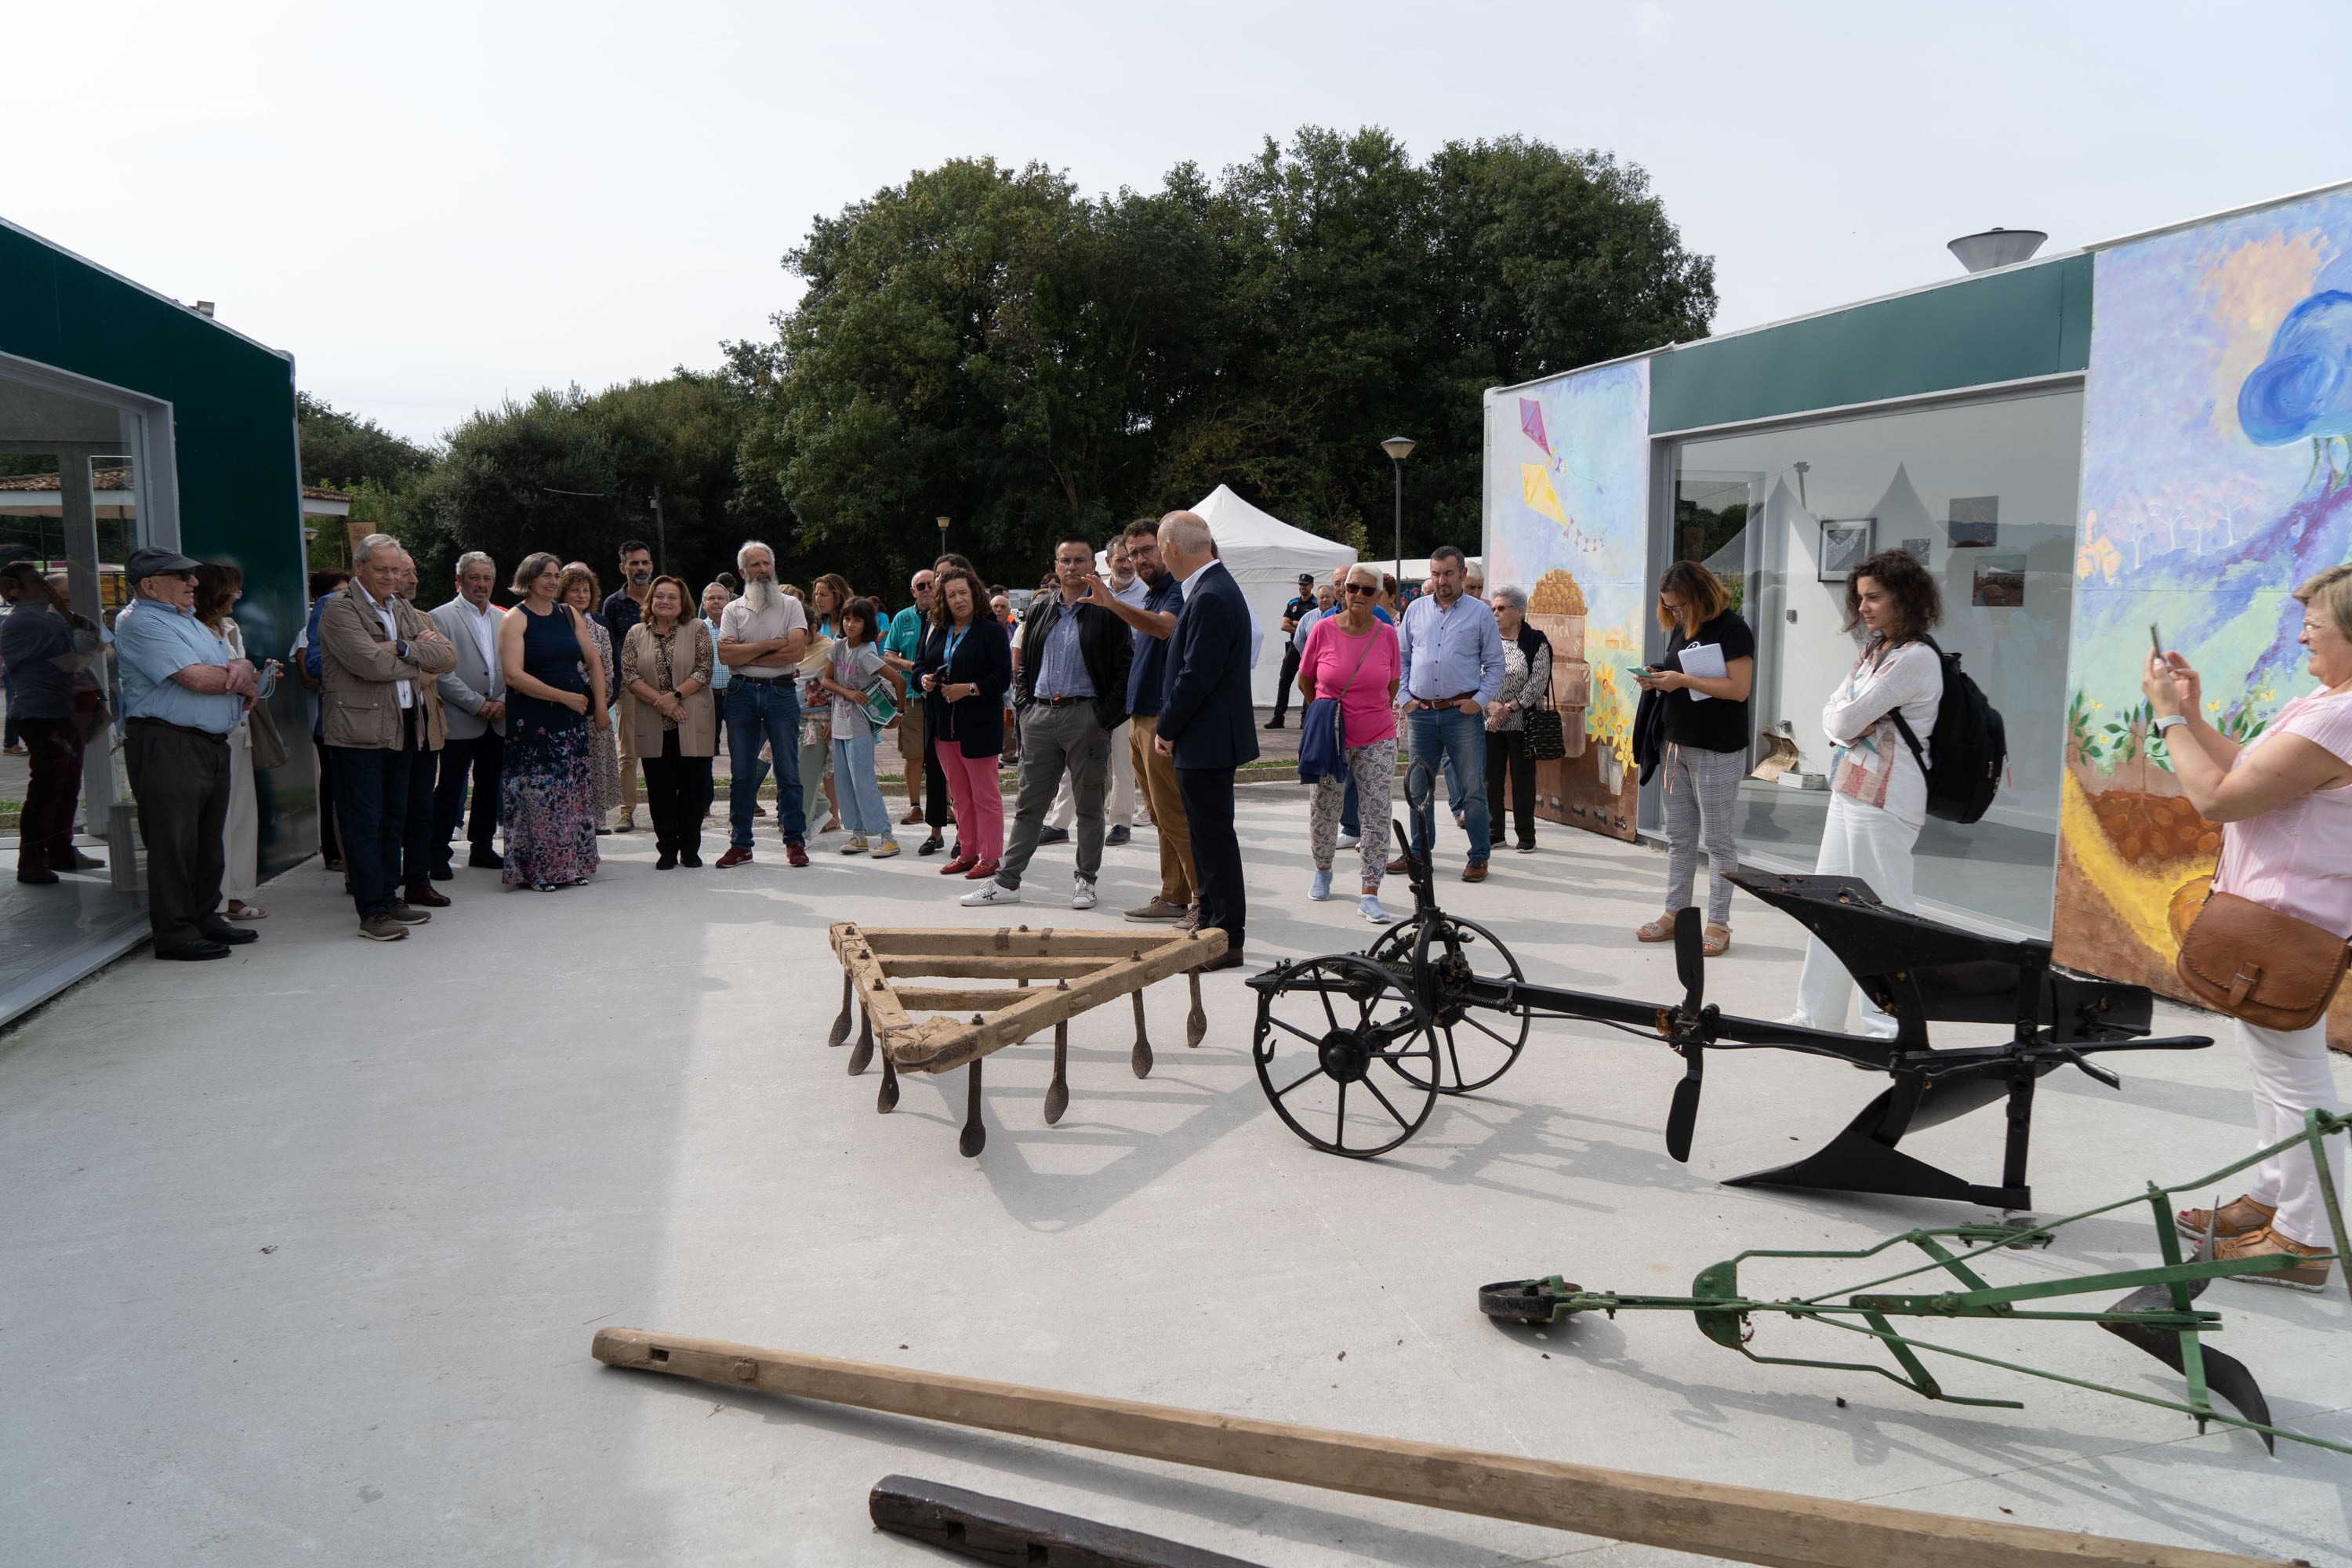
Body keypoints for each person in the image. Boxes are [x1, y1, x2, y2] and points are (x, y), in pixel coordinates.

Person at [2147, 566, 2352, 1290]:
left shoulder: (2341, 714)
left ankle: (2302, 1240)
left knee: (2294, 1077)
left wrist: (2169, 719)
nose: (2301, 635)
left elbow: (2218, 799)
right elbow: (2255, 772)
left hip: (2289, 921)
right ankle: (2272, 1198)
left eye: (2315, 625)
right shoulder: (2327, 702)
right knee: (2272, 1065)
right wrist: (2197, 717)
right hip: (2273, 914)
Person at [1784, 550, 1944, 1036]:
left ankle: (1891, 1029)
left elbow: (1846, 717)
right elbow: (1834, 716)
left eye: (1874, 597)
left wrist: (1845, 717)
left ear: (1906, 598)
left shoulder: (1916, 658)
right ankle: (1817, 1018)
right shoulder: (1876, 650)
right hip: (1850, 788)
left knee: (1884, 912)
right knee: (1830, 906)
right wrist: (1844, 718)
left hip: (1889, 798)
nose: (1865, 607)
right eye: (1861, 598)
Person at [961, 535, 1133, 910]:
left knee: (1089, 807)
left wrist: (1102, 718)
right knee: (1029, 806)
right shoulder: (1040, 609)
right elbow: (1022, 664)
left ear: (1094, 566)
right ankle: (1007, 883)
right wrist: (1025, 706)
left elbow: (1124, 671)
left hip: (1086, 717)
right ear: (1055, 565)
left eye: (1080, 561)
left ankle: (1085, 880)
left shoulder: (1108, 611)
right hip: (1039, 716)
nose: (1072, 567)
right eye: (1065, 560)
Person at [114, 546, 263, 960]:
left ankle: (204, 916)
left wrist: (243, 671)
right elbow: (196, 678)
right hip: (169, 742)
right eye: (181, 577)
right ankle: (175, 933)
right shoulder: (142, 622)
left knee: (206, 842)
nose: (193, 583)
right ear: (150, 584)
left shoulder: (184, 620)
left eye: (192, 576)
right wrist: (241, 676)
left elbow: (237, 665)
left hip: (205, 743)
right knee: (174, 843)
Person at [320, 534, 456, 939]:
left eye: (395, 570)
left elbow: (447, 657)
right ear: (359, 567)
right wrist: (415, 653)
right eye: (381, 569)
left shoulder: (402, 607)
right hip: (358, 733)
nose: (390, 577)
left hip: (402, 728)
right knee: (363, 823)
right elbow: (367, 664)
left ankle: (389, 896)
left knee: (392, 821)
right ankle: (372, 911)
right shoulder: (338, 610)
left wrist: (396, 646)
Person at [1631, 561, 1755, 954]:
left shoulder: (1733, 628)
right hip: (1675, 744)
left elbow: (1738, 689)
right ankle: (1675, 913)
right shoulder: (1683, 627)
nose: (1675, 614)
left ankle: (1719, 923)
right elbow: (1677, 673)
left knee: (1717, 840)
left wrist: (1681, 680)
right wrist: (1657, 676)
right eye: (1669, 607)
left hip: (1717, 747)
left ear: (1701, 594)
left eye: (1680, 606)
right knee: (1680, 837)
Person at [1152, 511, 1254, 969]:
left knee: (1213, 840)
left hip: (1207, 739)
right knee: (1207, 838)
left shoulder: (1211, 594)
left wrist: (1167, 726)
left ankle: (1227, 937)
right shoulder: (1213, 588)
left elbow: (1198, 675)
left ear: (1172, 547)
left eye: (1157, 548)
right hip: (1207, 737)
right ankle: (1212, 921)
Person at [1081, 519, 1194, 923]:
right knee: (1161, 816)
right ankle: (1174, 895)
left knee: (1175, 815)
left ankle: (1204, 901)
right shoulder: (1156, 592)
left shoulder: (1178, 590)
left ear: (1166, 548)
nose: (1140, 560)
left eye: (1147, 550)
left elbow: (1166, 629)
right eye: (1132, 554)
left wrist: (1112, 604)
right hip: (1139, 716)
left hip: (1160, 717)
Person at [1391, 546, 1504, 883]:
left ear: (1463, 575)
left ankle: (1479, 856)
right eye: (1436, 574)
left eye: (1449, 574)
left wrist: (1480, 701)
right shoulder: (1415, 610)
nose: (1442, 581)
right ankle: (1419, 853)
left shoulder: (1480, 614)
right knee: (1417, 789)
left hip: (1462, 714)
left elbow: (1496, 665)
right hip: (1421, 714)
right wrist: (1405, 697)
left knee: (1471, 789)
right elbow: (1401, 660)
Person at [1298, 563, 1403, 924]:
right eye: (1352, 588)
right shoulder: (1323, 630)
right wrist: (1327, 715)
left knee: (1376, 811)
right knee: (1325, 805)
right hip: (1333, 733)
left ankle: (1370, 891)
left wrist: (1368, 710)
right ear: (1343, 592)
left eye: (1367, 591)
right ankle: (1323, 869)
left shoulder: (1387, 634)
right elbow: (1305, 681)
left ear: (1379, 597)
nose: (1358, 595)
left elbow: (1391, 685)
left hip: (1377, 733)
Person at [498, 552, 606, 891]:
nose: (551, 581)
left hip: (571, 723)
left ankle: (570, 865)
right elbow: (513, 676)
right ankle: (540, 870)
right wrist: (564, 697)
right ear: (528, 578)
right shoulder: (515, 619)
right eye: (545, 575)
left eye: (556, 575)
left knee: (570, 792)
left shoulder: (569, 613)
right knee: (539, 796)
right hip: (533, 723)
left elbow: (594, 660)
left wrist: (600, 706)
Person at [1042, 536, 1143, 848]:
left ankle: (1121, 822)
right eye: (1120, 559)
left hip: (1127, 690)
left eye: (1130, 559)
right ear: (1107, 563)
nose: (1126, 564)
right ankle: (1059, 824)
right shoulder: (1089, 594)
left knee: (1123, 763)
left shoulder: (1149, 595)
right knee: (1074, 762)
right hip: (1088, 693)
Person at [716, 541, 811, 868]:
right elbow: (726, 656)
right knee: (742, 773)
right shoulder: (732, 609)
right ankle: (741, 844)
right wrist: (772, 644)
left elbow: (796, 652)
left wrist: (748, 650)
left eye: (766, 563)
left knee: (788, 770)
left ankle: (795, 841)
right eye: (755, 565)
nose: (763, 571)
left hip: (781, 693)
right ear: (743, 572)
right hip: (741, 693)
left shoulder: (791, 606)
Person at [917, 567, 1011, 881]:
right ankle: (968, 851)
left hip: (979, 725)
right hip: (944, 726)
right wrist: (924, 679)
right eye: (951, 595)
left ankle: (991, 856)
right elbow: (920, 664)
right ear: (943, 600)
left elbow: (1001, 678)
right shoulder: (938, 629)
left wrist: (968, 688)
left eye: (964, 593)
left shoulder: (991, 631)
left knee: (985, 796)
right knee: (959, 795)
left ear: (975, 594)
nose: (959, 600)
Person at [0, 562, 88, 884]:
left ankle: (60, 851)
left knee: (66, 787)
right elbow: (85, 644)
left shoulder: (41, 618)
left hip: (58, 712)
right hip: (43, 715)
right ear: (16, 588)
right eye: (38, 582)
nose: (45, 588)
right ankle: (32, 861)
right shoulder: (29, 621)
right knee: (47, 791)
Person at [622, 574, 716, 869]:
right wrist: (661, 703)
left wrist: (674, 696)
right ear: (651, 600)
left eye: (671, 597)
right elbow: (630, 674)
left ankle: (690, 849)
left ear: (682, 602)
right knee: (660, 791)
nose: (665, 601)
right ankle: (666, 850)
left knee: (694, 790)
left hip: (692, 720)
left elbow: (704, 669)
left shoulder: (697, 628)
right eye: (660, 596)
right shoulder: (636, 633)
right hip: (654, 723)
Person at [193, 563, 266, 920]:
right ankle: (214, 902)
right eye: (233, 590)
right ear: (216, 593)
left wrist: (259, 678)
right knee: (215, 821)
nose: (238, 596)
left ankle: (236, 894)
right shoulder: (189, 630)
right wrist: (240, 677)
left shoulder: (231, 628)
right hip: (206, 734)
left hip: (239, 729)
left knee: (241, 816)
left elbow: (238, 675)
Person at [430, 551, 507, 875]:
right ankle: (436, 853)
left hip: (498, 718)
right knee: (450, 786)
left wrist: (502, 700)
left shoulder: (504, 619)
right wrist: (477, 703)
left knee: (490, 784)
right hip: (460, 718)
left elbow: (516, 666)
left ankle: (483, 847)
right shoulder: (439, 617)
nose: (481, 584)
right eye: (474, 578)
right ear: (459, 580)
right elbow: (440, 672)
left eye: (487, 578)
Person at [819, 596, 904, 858]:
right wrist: (847, 692)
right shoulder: (839, 645)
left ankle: (887, 836)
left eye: (857, 619)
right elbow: (826, 680)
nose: (850, 623)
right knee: (844, 783)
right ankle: (857, 835)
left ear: (867, 623)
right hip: (840, 726)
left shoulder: (867, 652)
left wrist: (899, 713)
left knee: (863, 782)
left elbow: (899, 681)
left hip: (860, 728)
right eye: (847, 618)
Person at [1479, 585, 1555, 859]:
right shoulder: (1486, 639)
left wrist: (1508, 708)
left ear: (1519, 612)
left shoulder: (1536, 641)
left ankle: (1526, 835)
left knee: (1523, 780)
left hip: (1523, 722)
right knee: (1491, 778)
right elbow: (1473, 675)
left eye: (1501, 608)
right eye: (1494, 609)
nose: (1495, 613)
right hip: (1490, 721)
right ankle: (1494, 833)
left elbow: (1538, 682)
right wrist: (1491, 706)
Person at [559, 564, 623, 833]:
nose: (581, 595)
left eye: (585, 590)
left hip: (596, 706)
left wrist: (604, 699)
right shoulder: (556, 623)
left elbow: (608, 666)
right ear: (563, 592)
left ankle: (597, 821)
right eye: (574, 590)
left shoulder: (598, 627)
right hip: (565, 705)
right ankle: (569, 819)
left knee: (596, 765)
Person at [294, 568, 350, 870]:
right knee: (332, 790)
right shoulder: (308, 632)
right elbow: (310, 676)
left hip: (350, 722)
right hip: (327, 723)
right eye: (337, 592)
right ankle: (334, 853)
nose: (343, 598)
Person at [597, 540, 654, 831]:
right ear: (623, 567)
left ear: (652, 565)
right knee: (628, 752)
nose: (640, 568)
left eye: (645, 562)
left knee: (662, 751)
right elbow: (608, 648)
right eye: (634, 563)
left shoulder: (665, 596)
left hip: (665, 688)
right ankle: (626, 811)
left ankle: (663, 808)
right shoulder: (612, 604)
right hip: (628, 687)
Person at [799, 573, 852, 836]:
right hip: (811, 711)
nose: (818, 599)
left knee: (837, 767)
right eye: (816, 594)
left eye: (824, 594)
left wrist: (834, 714)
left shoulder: (848, 625)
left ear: (837, 595)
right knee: (820, 767)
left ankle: (836, 815)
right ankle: (828, 814)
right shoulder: (816, 627)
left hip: (838, 706)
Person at [883, 569, 935, 827]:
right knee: (914, 756)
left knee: (943, 754)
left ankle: (946, 805)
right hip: (914, 697)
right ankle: (915, 806)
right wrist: (914, 666)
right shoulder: (902, 618)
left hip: (942, 696)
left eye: (931, 585)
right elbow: (888, 655)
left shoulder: (948, 616)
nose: (926, 589)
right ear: (913, 591)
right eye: (921, 586)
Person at [1267, 572, 1319, 730]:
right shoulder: (1293, 603)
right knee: (1284, 681)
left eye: (1306, 585)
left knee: (1307, 683)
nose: (1302, 587)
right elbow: (1284, 625)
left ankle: (1306, 718)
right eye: (1300, 585)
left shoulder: (1315, 604)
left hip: (1309, 649)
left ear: (1311, 586)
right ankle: (1278, 717)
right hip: (1293, 647)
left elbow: (1315, 628)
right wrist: (1301, 627)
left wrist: (1296, 624)